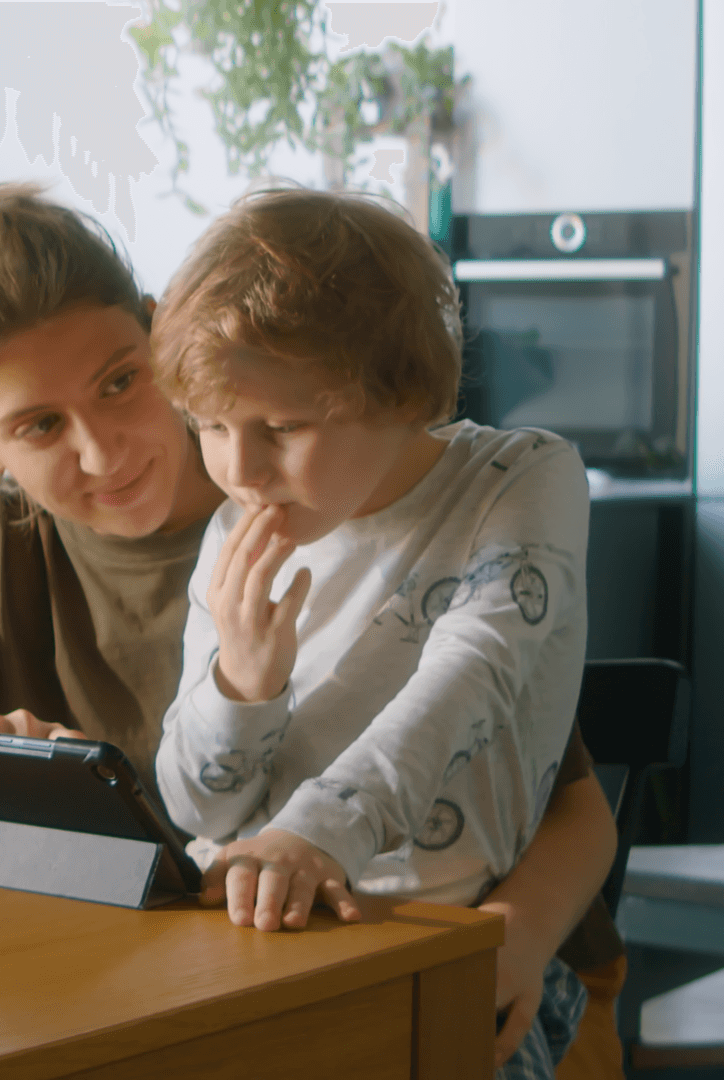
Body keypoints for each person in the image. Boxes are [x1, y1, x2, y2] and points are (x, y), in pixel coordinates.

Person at [0, 174, 627, 1075]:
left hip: (497, 979)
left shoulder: (355, 496)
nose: (106, 452)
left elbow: (566, 797)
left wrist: (513, 937)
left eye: (120, 381)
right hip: (212, 996)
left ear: (164, 337)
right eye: (40, 427)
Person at [149, 188, 590, 1079]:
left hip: (434, 946)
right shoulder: (235, 534)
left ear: (402, 393)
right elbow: (198, 809)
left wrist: (313, 837)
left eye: (283, 427)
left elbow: (467, 680)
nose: (240, 470)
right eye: (211, 427)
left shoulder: (520, 477)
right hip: (242, 939)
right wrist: (243, 684)